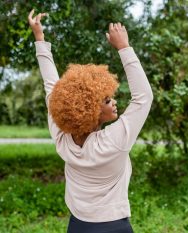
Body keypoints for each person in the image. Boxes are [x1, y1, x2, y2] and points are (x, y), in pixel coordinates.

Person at [28, 9, 153, 233]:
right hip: (115, 227)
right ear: (90, 110)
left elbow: (51, 88)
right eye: (106, 100)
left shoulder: (61, 138)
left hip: (77, 226)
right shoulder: (114, 141)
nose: (114, 102)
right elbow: (144, 98)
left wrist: (40, 39)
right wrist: (124, 47)